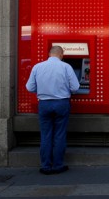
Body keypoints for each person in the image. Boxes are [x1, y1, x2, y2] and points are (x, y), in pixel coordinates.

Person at [26, 46, 80, 175]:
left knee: (46, 135)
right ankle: (58, 165)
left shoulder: (37, 67)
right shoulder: (66, 67)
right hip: (61, 103)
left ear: (49, 54)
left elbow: (29, 87)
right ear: (61, 54)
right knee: (59, 134)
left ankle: (45, 166)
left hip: (44, 103)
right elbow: (76, 87)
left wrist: (42, 91)